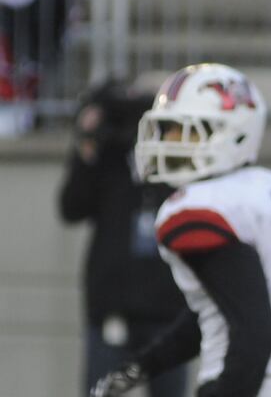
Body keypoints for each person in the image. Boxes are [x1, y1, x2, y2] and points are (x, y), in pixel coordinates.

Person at [89, 63, 271, 397]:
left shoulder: (199, 206)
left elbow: (254, 331)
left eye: (188, 132)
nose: (170, 142)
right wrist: (142, 367)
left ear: (233, 132)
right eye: (168, 131)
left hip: (262, 382)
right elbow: (218, 304)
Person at [58, 79, 189, 397]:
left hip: (166, 311)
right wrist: (88, 145)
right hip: (112, 311)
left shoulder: (172, 163)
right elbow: (71, 208)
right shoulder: (106, 158)